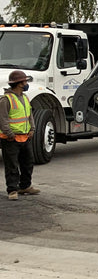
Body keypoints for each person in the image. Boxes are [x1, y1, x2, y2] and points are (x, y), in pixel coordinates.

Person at [0, 70, 40, 200]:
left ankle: (25, 186)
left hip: (25, 137)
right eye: (25, 81)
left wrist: (32, 128)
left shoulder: (24, 97)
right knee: (12, 166)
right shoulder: (5, 100)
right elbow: (3, 119)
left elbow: (29, 115)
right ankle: (12, 190)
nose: (26, 83)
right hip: (11, 139)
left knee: (28, 163)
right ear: (19, 83)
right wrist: (10, 134)